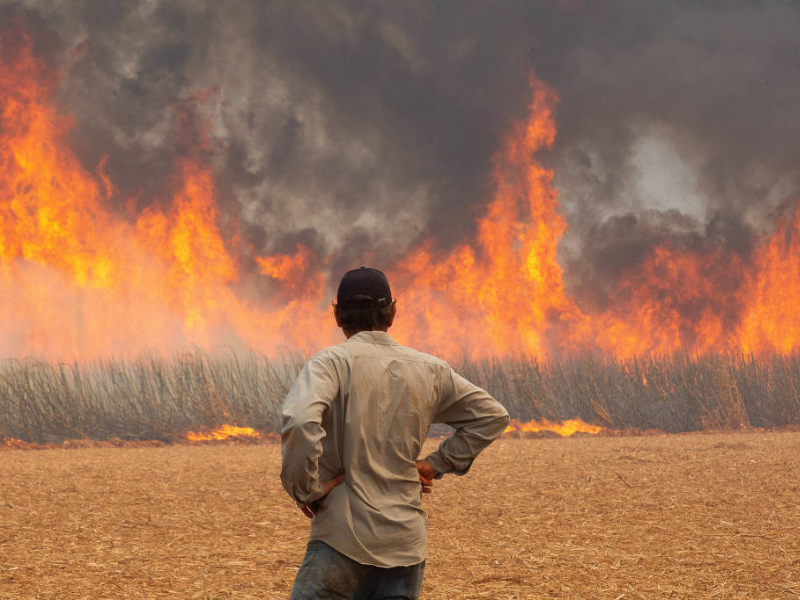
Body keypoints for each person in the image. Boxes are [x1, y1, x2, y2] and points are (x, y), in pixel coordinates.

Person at [281, 267, 509, 600]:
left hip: (342, 537)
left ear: (337, 315)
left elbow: (300, 420)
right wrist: (435, 464)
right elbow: (491, 415)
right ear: (393, 312)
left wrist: (307, 489)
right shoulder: (429, 369)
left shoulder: (328, 364)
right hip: (405, 545)